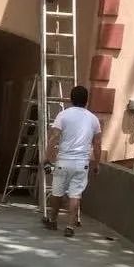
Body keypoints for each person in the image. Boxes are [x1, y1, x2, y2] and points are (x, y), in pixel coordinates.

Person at [43, 85, 102, 238]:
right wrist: (97, 164)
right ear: (86, 100)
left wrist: (47, 158)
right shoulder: (93, 119)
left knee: (57, 192)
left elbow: (54, 137)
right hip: (81, 163)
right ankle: (70, 226)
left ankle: (53, 220)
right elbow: (97, 144)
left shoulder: (63, 115)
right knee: (75, 195)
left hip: (63, 161)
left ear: (71, 99)